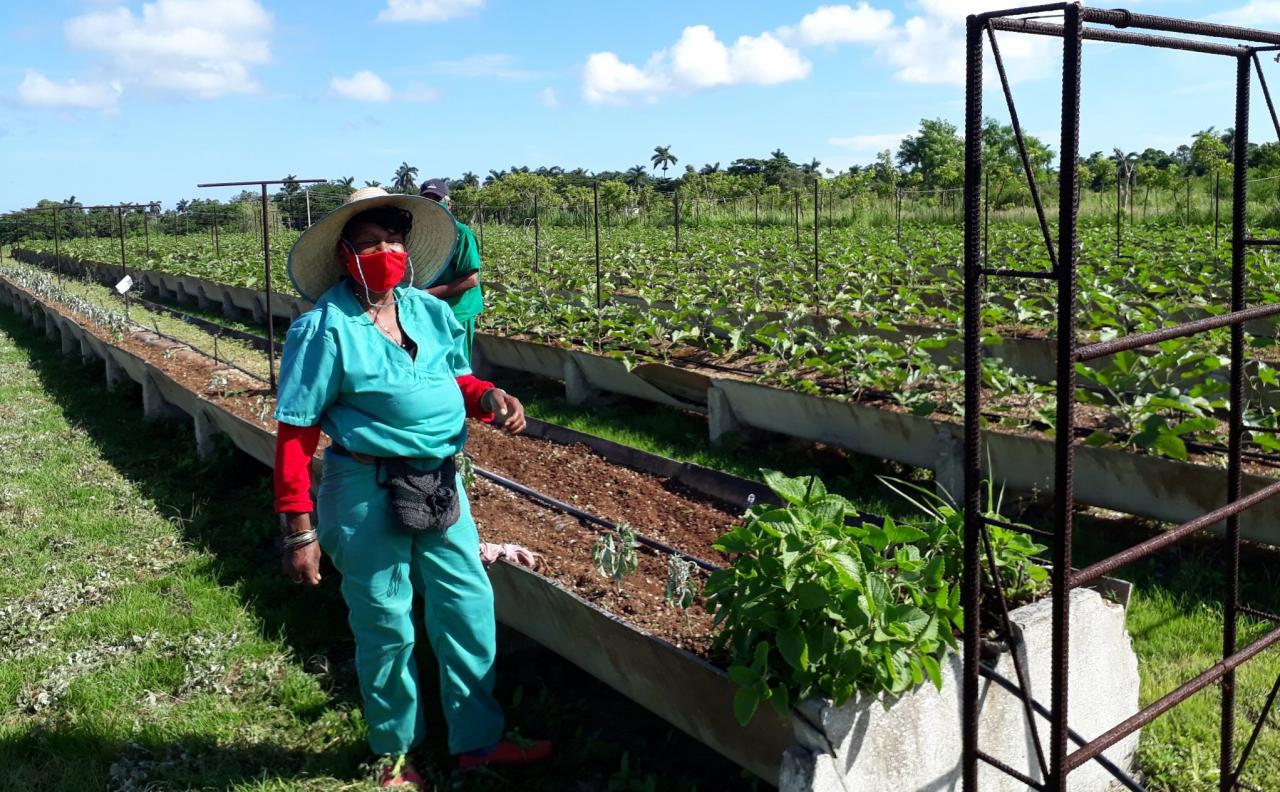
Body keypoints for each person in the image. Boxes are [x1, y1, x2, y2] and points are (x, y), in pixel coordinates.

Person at [271, 187, 550, 788]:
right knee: (385, 620)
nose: (386, 251)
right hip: (364, 487)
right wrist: (299, 529)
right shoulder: (324, 329)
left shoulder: (427, 310)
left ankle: (479, 741)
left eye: (394, 240)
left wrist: (489, 399)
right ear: (346, 255)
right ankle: (396, 755)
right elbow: (295, 436)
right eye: (370, 243)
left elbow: (457, 376)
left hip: (441, 482)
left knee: (467, 607)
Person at [419, 178, 483, 363]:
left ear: (449, 204)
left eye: (437, 200)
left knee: (457, 366)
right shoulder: (422, 235)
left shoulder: (461, 233)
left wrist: (427, 293)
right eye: (427, 200)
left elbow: (471, 280)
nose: (432, 205)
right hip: (432, 309)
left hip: (458, 311)